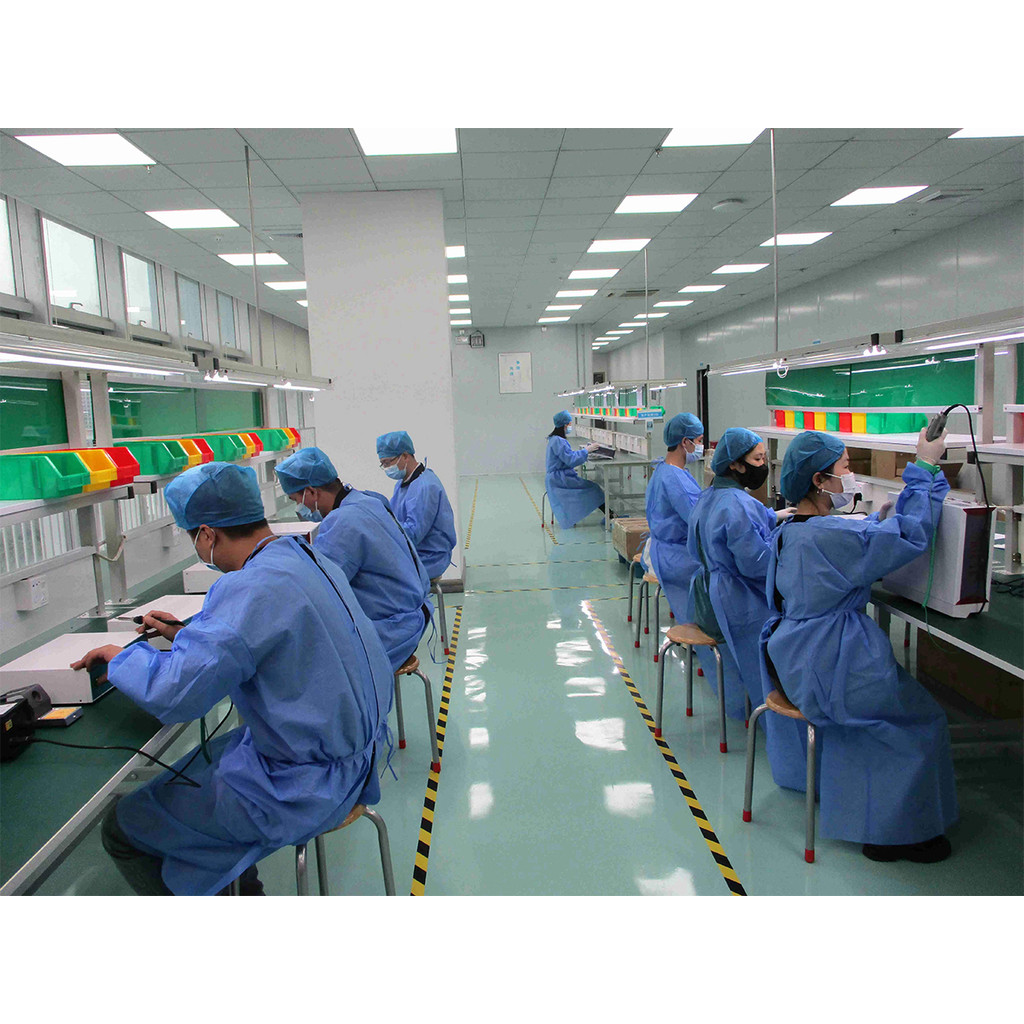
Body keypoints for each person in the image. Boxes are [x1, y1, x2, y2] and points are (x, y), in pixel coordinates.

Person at [70, 462, 394, 896]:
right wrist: (187, 634)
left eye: (192, 537)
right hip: (357, 756)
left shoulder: (249, 587)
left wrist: (121, 657)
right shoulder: (308, 557)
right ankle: (240, 884)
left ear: (207, 535)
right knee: (208, 768)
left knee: (124, 824)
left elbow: (174, 695)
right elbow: (259, 635)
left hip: (303, 787)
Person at [759, 428, 958, 862]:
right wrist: (925, 467)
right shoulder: (829, 535)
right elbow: (910, 535)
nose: (850, 476)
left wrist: (873, 523)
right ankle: (897, 833)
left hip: (797, 653)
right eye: (846, 467)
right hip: (831, 657)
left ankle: (870, 812)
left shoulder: (792, 528)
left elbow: (842, 543)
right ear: (819, 480)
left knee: (877, 715)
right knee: (917, 721)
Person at [275, 446, 432, 673]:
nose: (299, 508)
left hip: (393, 630)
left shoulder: (343, 522)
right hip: (412, 612)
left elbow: (320, 589)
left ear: (311, 492)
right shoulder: (367, 500)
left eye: (296, 500)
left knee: (303, 665)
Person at [686, 428, 796, 719]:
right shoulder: (738, 505)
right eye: (758, 459)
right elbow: (756, 564)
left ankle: (744, 707)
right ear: (735, 464)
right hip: (737, 598)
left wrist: (773, 517)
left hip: (707, 592)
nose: (763, 465)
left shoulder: (709, 495)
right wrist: (784, 543)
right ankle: (776, 715)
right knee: (781, 640)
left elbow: (732, 527)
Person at [645, 412, 706, 626]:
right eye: (699, 441)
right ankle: (707, 631)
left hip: (662, 548)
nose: (701, 447)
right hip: (675, 556)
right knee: (722, 574)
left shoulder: (664, 469)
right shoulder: (675, 479)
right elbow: (700, 521)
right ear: (685, 442)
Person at [376, 431, 457, 581]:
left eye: (388, 462)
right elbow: (396, 520)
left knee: (376, 577)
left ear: (405, 456)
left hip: (429, 557)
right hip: (413, 551)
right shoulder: (403, 484)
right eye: (383, 464)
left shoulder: (425, 487)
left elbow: (413, 534)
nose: (386, 468)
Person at [545, 410, 605, 529]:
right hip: (561, 480)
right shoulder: (559, 441)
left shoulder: (555, 439)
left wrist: (584, 451)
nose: (570, 426)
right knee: (594, 489)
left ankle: (610, 515)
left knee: (592, 488)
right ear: (564, 424)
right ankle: (611, 516)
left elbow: (568, 456)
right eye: (569, 423)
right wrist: (586, 450)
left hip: (558, 478)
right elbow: (571, 460)